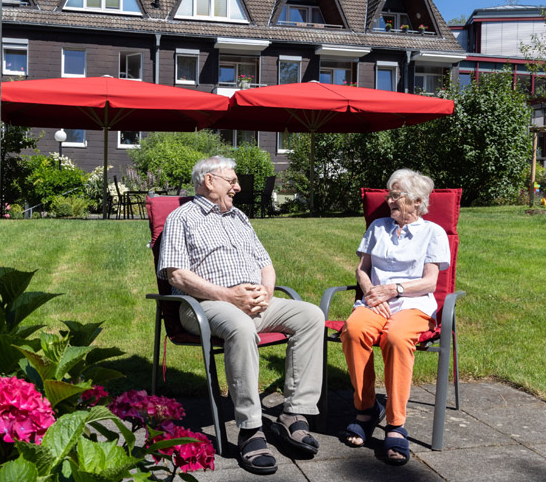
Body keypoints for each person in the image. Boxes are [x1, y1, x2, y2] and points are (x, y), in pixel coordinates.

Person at [158, 156, 324, 475]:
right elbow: (175, 275)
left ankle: (294, 414)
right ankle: (250, 428)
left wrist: (266, 290)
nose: (237, 186)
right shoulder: (183, 218)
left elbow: (265, 263)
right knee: (241, 326)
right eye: (231, 180)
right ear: (209, 180)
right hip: (204, 305)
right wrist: (227, 296)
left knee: (311, 316)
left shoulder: (239, 217)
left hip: (252, 301)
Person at [340, 168, 450, 465]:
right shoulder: (377, 227)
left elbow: (430, 282)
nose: (390, 199)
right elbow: (362, 269)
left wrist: (394, 289)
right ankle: (366, 410)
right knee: (352, 331)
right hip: (376, 301)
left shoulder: (433, 232)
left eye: (396, 194)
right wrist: (370, 291)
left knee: (397, 338)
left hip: (413, 304)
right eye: (389, 194)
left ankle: (395, 423)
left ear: (417, 201)